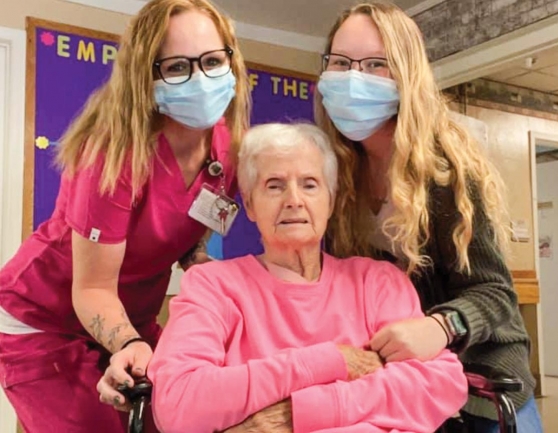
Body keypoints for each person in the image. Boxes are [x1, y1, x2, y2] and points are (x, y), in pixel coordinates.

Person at [99, 123, 468, 433]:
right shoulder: (214, 285)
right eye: (274, 185)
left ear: (331, 198)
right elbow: (179, 405)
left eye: (309, 184)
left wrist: (297, 413)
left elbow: (441, 384)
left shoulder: (377, 281)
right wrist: (329, 361)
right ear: (249, 203)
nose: (293, 200)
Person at [0, 0, 250, 431]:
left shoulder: (228, 150)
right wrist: (130, 342)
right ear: (146, 75)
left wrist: (206, 273)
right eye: (176, 68)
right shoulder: (113, 155)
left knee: (181, 416)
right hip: (44, 320)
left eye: (212, 61)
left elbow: (189, 232)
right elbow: (93, 287)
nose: (201, 78)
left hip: (131, 321)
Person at [315, 2, 542, 432]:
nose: (352, 78)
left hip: (484, 383)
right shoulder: (336, 176)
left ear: (405, 75)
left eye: (375, 65)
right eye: (341, 63)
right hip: (404, 386)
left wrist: (441, 325)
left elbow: (494, 293)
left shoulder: (445, 171)